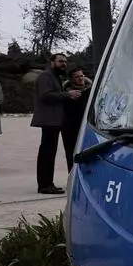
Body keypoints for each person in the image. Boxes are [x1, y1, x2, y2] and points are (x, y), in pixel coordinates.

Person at [30, 53, 80, 194]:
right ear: (52, 62)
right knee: (47, 153)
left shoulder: (55, 77)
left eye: (65, 62)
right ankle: (45, 185)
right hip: (49, 120)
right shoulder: (45, 76)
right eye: (60, 61)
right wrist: (68, 95)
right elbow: (45, 96)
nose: (64, 64)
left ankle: (47, 183)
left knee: (49, 152)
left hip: (54, 120)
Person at [61, 67, 93, 172]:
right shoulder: (66, 93)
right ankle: (72, 174)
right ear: (71, 79)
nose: (80, 78)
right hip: (70, 129)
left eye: (81, 76)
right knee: (71, 155)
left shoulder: (91, 91)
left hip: (87, 127)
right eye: (77, 77)